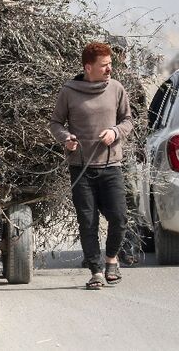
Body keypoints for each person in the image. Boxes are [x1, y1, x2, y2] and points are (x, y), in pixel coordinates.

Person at [50, 42, 133, 290]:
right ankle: (96, 271)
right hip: (81, 168)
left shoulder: (116, 89)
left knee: (119, 218)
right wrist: (66, 138)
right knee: (87, 222)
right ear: (88, 67)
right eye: (104, 65)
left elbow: (128, 120)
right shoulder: (69, 91)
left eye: (110, 64)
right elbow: (55, 123)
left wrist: (115, 132)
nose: (109, 69)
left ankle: (111, 260)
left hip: (111, 166)